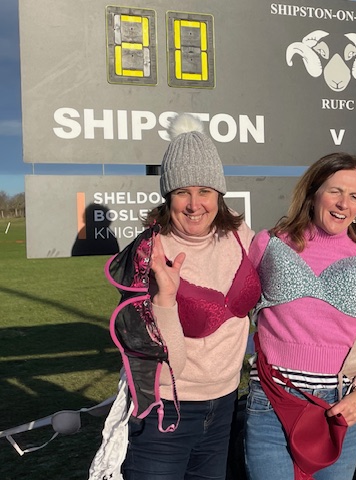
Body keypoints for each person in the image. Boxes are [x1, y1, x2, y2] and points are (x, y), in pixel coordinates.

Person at [93, 113, 261, 480]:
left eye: (204, 190)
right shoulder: (150, 254)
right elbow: (173, 365)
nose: (194, 204)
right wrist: (166, 299)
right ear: (168, 197)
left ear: (219, 191)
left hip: (225, 405)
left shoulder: (240, 235)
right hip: (167, 413)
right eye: (182, 191)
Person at [244, 152, 356, 480]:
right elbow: (230, 306)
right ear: (313, 192)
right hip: (271, 403)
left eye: (354, 196)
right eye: (335, 191)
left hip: (339, 407)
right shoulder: (268, 244)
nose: (343, 203)